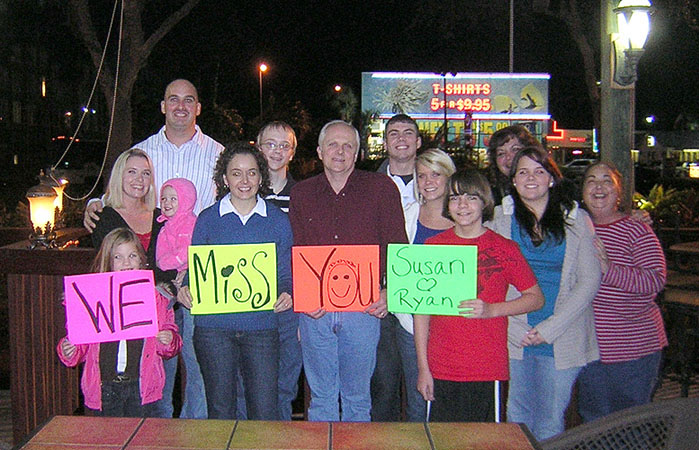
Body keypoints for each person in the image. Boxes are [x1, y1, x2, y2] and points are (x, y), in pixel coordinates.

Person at [85, 79, 220, 419]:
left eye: (189, 100)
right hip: (141, 300)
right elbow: (120, 191)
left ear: (198, 107)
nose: (180, 106)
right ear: (162, 105)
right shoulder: (144, 149)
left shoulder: (218, 155)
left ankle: (194, 438)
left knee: (198, 368)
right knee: (155, 378)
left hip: (195, 277)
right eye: (172, 99)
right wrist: (94, 203)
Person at [289, 120, 408, 422]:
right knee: (322, 398)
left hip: (365, 309)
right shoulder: (302, 193)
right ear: (319, 151)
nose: (339, 151)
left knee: (358, 399)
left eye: (348, 146)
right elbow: (295, 250)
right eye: (332, 144)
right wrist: (304, 298)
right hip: (316, 311)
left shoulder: (381, 188)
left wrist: (390, 291)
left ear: (357, 153)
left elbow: (398, 246)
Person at [488, 145, 600, 441]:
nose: (531, 178)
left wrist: (549, 329)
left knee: (551, 420)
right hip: (516, 334)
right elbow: (486, 276)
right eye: (522, 172)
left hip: (563, 334)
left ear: (552, 178)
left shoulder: (576, 220)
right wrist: (516, 328)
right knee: (517, 417)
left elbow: (589, 281)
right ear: (513, 180)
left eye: (539, 171)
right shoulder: (500, 220)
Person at [415, 169, 545, 422]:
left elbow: (535, 298)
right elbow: (421, 312)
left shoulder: (504, 248)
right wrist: (423, 368)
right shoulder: (433, 247)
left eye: (471, 198)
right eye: (454, 198)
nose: (462, 205)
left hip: (486, 368)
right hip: (441, 366)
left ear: (484, 202)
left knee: (484, 441)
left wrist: (492, 310)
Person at [178, 142, 293, 420]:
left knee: (265, 411)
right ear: (224, 178)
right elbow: (198, 272)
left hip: (261, 329)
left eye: (252, 173)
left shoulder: (277, 221)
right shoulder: (208, 219)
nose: (245, 180)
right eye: (237, 173)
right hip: (214, 330)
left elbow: (284, 273)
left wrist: (287, 292)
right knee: (220, 410)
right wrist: (185, 289)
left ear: (261, 177)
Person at [57, 228, 182, 417]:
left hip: (141, 388)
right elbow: (79, 341)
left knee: (141, 440)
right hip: (103, 388)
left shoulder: (156, 298)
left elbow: (170, 338)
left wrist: (168, 339)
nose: (126, 262)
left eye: (132, 255)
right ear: (107, 261)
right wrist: (69, 349)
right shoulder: (91, 297)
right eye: (118, 257)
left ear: (142, 260)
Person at [577, 161, 667, 422]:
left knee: (630, 425)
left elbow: (655, 280)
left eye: (607, 181)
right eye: (591, 180)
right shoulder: (576, 230)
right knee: (594, 424)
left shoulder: (636, 230)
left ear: (618, 192)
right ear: (583, 192)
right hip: (591, 350)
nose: (598, 187)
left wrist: (609, 269)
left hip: (634, 351)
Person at [372, 147, 455, 422]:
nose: (428, 182)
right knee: (419, 398)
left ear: (448, 177)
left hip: (455, 325)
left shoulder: (464, 216)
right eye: (421, 176)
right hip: (410, 324)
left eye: (436, 174)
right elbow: (394, 263)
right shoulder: (407, 213)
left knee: (448, 400)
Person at [256, 121, 302, 420]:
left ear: (292, 152)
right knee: (249, 387)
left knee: (285, 388)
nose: (276, 151)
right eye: (270, 144)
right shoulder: (241, 193)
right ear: (258, 148)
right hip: (250, 306)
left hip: (291, 306)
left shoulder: (304, 197)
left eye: (283, 145)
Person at [155, 178, 197, 296]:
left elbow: (186, 252)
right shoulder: (166, 227)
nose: (167, 203)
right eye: (164, 199)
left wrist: (165, 264)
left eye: (173, 199)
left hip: (191, 277)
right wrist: (162, 264)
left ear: (186, 200)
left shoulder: (189, 223)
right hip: (173, 276)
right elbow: (160, 255)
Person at [485, 125, 539, 205]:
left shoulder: (543, 185)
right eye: (501, 153)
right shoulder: (488, 193)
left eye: (515, 149)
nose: (509, 157)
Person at [376, 113, 422, 207]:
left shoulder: (434, 185)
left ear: (418, 142)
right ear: (385, 144)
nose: (401, 138)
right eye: (394, 134)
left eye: (408, 133)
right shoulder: (371, 187)